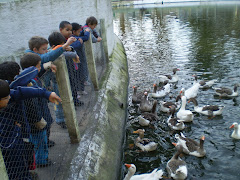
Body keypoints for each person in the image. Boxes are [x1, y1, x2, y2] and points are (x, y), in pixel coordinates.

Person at [0, 79, 61, 179]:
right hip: (7, 150)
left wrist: (46, 94)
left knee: (22, 166)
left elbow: (21, 91)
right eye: (6, 98)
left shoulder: (7, 96)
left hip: (17, 144)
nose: (10, 98)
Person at [20, 53, 57, 166]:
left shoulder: (33, 78)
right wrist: (37, 120)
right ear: (33, 68)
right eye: (38, 66)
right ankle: (41, 160)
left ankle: (42, 156)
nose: (40, 68)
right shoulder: (28, 84)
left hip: (42, 112)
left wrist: (47, 65)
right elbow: (32, 105)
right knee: (39, 141)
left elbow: (40, 72)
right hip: (37, 119)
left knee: (43, 137)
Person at [59, 21, 84, 106]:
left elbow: (74, 45)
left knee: (73, 83)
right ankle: (71, 103)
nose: (70, 32)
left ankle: (75, 100)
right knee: (68, 85)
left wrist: (71, 48)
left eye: (71, 30)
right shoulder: (59, 40)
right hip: (64, 67)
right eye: (67, 30)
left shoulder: (70, 39)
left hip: (71, 66)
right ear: (61, 30)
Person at [71, 22, 90, 95]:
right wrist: (87, 33)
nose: (79, 33)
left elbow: (80, 37)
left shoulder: (76, 37)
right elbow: (85, 38)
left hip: (79, 59)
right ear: (74, 32)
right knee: (77, 76)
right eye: (78, 32)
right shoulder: (73, 39)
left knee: (80, 74)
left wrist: (82, 32)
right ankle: (78, 91)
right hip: (76, 61)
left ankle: (81, 89)